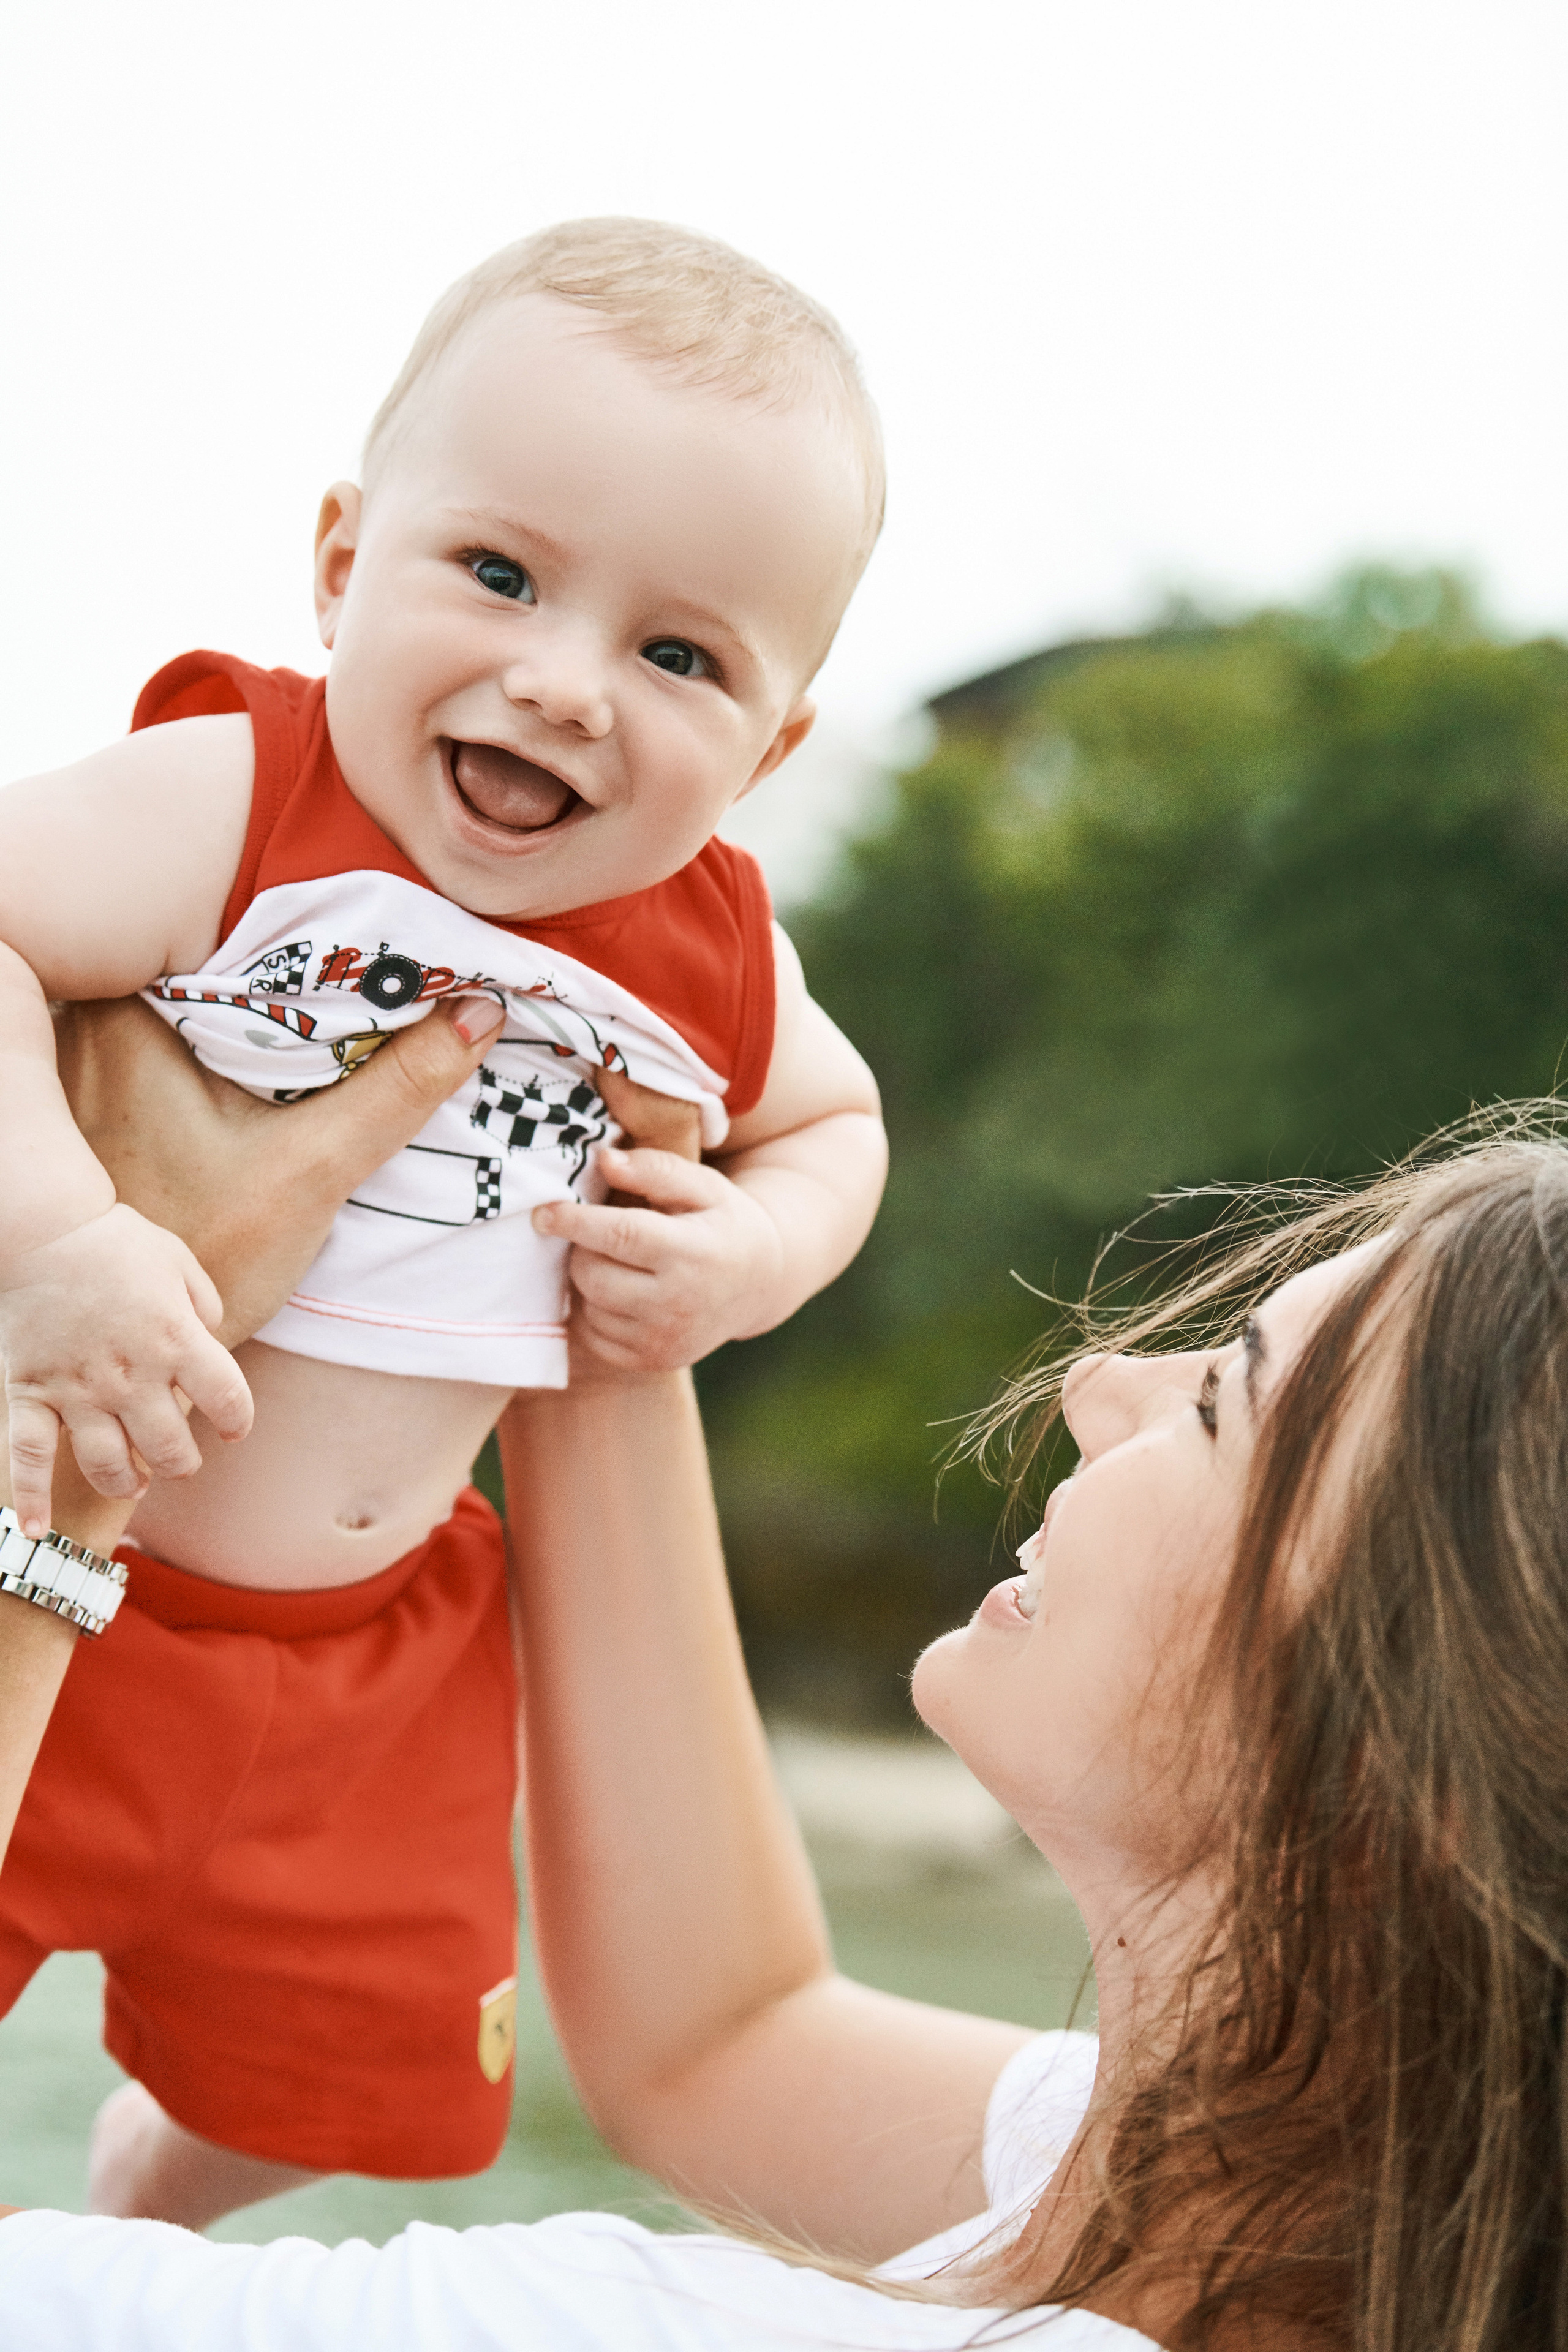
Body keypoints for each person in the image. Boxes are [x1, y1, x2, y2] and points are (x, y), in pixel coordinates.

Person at [6, 1020, 1564, 2348]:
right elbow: (722, 2037)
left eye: (1223, 1397)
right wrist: (584, 1234)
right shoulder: (1324, 2198)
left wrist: (87, 1454)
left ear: (1406, 1761)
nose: (1099, 1385)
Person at [0, 219, 888, 2215]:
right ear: (341, 563)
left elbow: (838, 1128)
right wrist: (60, 1236)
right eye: (498, 575)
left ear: (773, 746)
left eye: (681, 656)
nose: (563, 684)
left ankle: (124, 2237)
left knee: (332, 2085)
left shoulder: (708, 950)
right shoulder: (244, 795)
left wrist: (746, 1257)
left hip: (378, 1665)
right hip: (66, 1546)